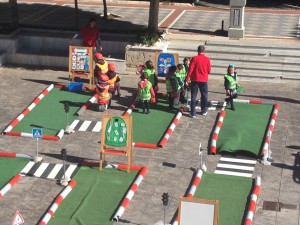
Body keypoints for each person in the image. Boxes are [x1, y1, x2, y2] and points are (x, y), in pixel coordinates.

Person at [185, 45, 211, 118]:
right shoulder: (207, 59)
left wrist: (187, 79)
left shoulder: (194, 58)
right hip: (204, 80)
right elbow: (209, 70)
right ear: (204, 51)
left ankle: (193, 113)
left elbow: (190, 70)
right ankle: (203, 110)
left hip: (195, 79)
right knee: (204, 96)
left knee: (194, 96)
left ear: (198, 50)